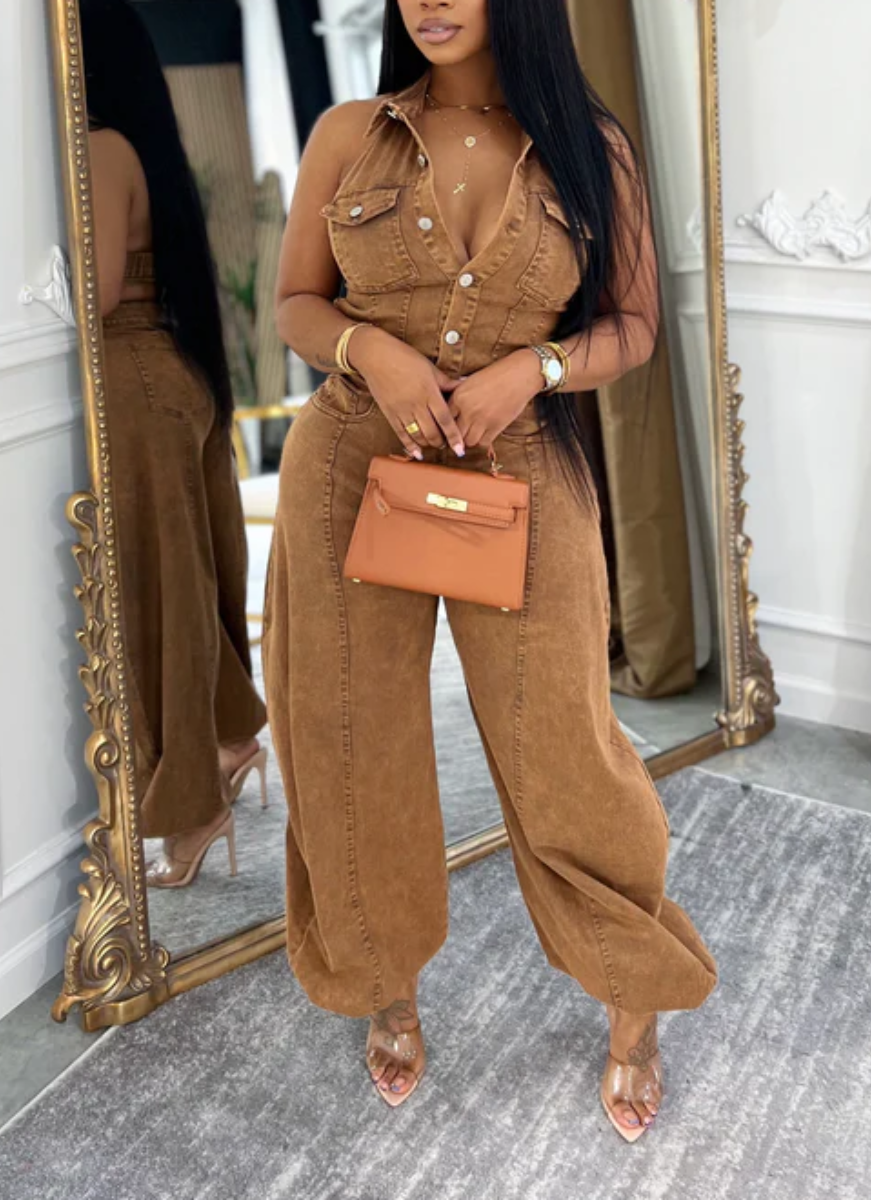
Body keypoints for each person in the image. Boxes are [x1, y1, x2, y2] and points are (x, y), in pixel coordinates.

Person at [262, 0, 717, 1136]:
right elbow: (295, 303)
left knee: (563, 739)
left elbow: (634, 324)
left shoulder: (589, 146)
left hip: (520, 459)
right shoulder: (349, 133)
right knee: (351, 734)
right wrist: (372, 350)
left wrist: (537, 368)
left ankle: (632, 982)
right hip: (349, 463)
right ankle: (386, 985)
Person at [82, 0, 268, 888]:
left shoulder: (100, 147)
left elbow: (98, 293)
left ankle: (193, 805)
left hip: (134, 381)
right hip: (172, 369)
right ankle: (228, 740)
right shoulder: (147, 146)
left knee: (158, 602)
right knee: (190, 582)